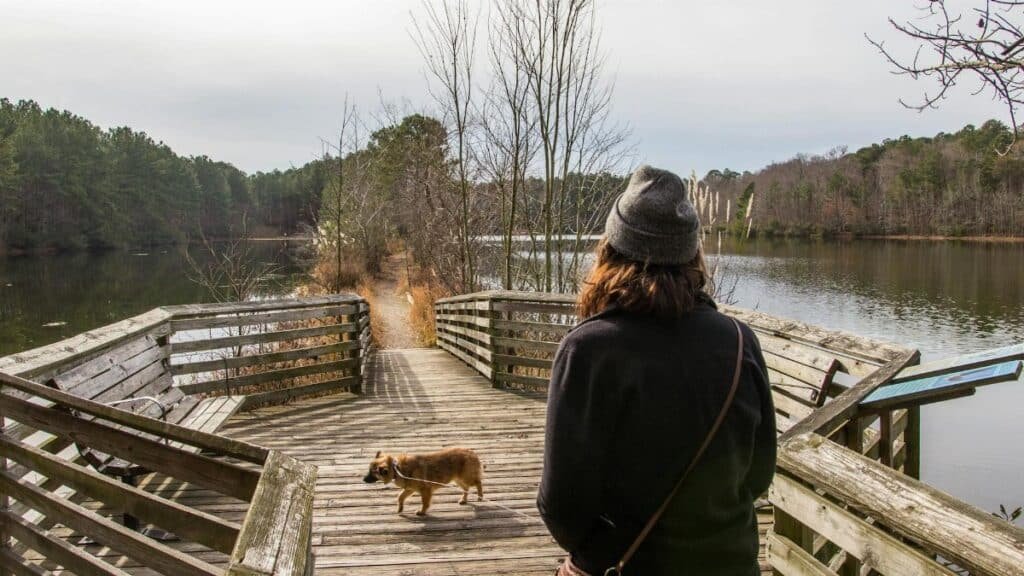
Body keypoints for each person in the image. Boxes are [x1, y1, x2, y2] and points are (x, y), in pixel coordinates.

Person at [537, 165, 776, 576]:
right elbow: (758, 473)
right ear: (691, 255)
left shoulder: (589, 350)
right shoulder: (739, 342)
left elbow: (561, 503)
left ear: (610, 249)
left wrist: (599, 551)